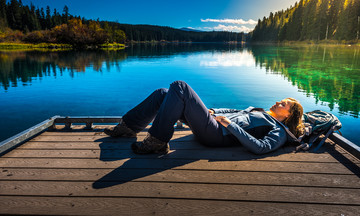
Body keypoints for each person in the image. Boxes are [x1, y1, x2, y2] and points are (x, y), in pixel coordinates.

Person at [104, 80, 304, 155]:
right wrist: (214, 111)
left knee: (180, 87)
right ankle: (128, 128)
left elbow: (262, 148)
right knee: (163, 93)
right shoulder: (261, 112)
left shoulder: (279, 130)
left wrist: (229, 126)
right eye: (281, 101)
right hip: (213, 124)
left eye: (284, 104)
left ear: (288, 115)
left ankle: (157, 141)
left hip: (217, 135)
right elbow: (236, 112)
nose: (278, 102)